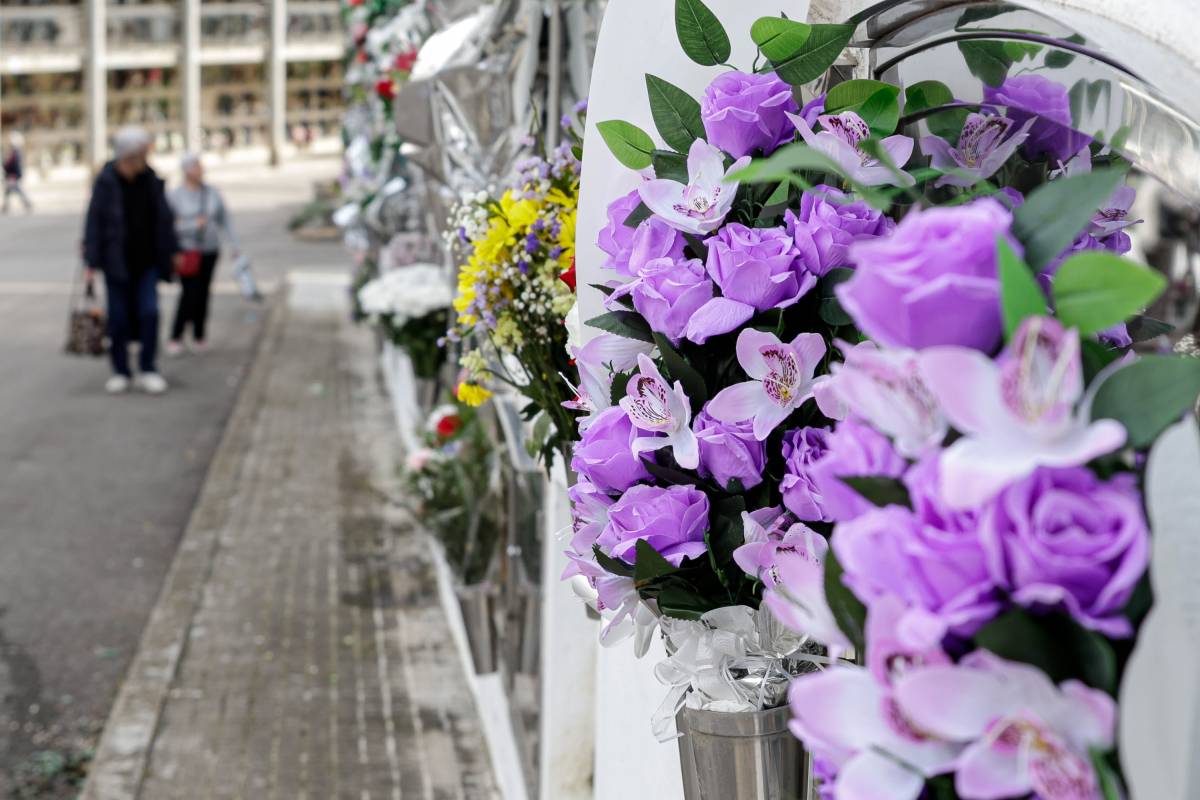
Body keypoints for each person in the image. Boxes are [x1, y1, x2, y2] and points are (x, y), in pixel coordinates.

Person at [82, 126, 179, 394]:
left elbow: (164, 220)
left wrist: (173, 252)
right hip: (116, 264)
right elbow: (93, 223)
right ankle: (121, 370)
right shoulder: (106, 183)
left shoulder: (151, 181)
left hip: (147, 262)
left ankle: (148, 368)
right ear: (129, 156)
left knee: (150, 313)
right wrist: (91, 262)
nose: (145, 160)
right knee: (119, 319)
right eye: (141, 154)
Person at [166, 153, 239, 355]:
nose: (200, 169)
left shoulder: (212, 193)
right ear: (186, 170)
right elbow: (168, 226)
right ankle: (176, 335)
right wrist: (191, 225)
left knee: (204, 293)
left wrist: (235, 246)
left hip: (210, 250)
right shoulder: (175, 196)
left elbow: (226, 220)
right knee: (189, 293)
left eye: (200, 165)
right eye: (195, 166)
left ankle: (199, 334)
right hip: (186, 252)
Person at [3, 132, 32, 214]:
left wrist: (14, 174)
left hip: (13, 175)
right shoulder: (15, 152)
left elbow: (14, 165)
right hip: (11, 175)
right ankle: (6, 206)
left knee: (17, 190)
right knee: (8, 191)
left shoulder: (15, 153)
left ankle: (27, 203)